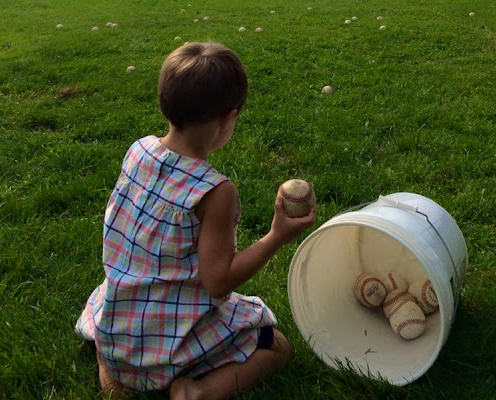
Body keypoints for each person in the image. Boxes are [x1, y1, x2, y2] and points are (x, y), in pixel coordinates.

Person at [76, 42, 316, 399]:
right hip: (168, 344)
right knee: (275, 344)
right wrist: (276, 236)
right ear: (227, 119)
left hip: (119, 326)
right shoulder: (215, 192)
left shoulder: (138, 150)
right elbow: (219, 281)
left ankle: (113, 369)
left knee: (111, 298)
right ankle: (197, 391)